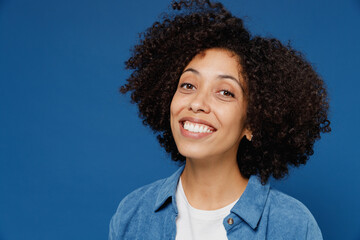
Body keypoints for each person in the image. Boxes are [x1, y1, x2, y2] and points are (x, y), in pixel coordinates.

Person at [109, 0, 331, 239]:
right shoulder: (132, 213)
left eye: (225, 92)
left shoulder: (293, 226)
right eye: (188, 85)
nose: (197, 103)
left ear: (252, 123)